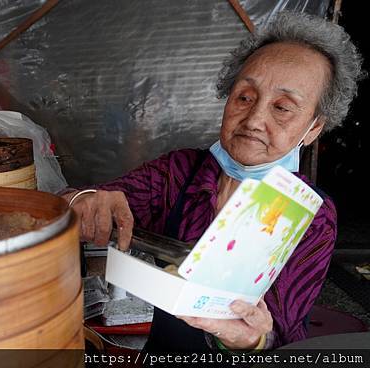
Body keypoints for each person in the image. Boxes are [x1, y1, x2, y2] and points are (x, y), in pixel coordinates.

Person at [62, 11, 364, 351]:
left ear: (314, 128)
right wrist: (83, 200)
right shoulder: (179, 172)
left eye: (282, 107)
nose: (254, 119)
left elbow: (282, 332)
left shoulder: (311, 215)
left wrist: (253, 338)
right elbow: (108, 199)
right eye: (245, 97)